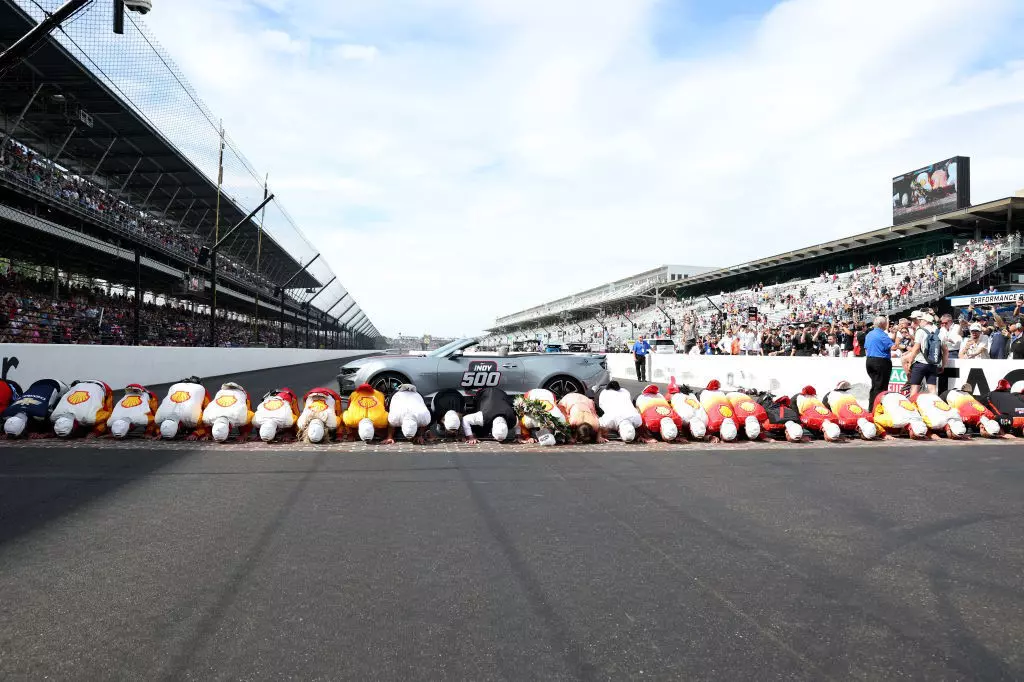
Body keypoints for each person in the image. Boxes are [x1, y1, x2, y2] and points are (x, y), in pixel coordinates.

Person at [905, 311, 946, 398]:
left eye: (921, 320)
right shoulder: (939, 332)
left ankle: (913, 409)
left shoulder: (920, 331)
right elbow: (945, 351)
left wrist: (910, 361)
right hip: (933, 364)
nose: (920, 322)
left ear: (925, 321)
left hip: (920, 363)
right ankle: (934, 408)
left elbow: (916, 348)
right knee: (932, 390)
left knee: (914, 390)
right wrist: (943, 365)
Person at [865, 316, 894, 407]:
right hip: (881, 361)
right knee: (881, 387)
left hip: (870, 360)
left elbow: (866, 348)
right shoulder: (882, 335)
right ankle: (877, 408)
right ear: (883, 324)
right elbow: (893, 347)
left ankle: (872, 407)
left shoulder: (869, 334)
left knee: (875, 385)